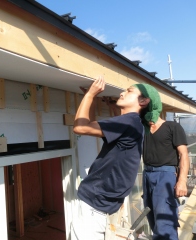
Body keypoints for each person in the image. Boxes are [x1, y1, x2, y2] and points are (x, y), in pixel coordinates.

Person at [72, 76, 157, 239]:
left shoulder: (128, 122)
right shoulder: (133, 124)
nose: (122, 92)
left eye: (129, 91)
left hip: (94, 204)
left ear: (143, 101)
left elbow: (80, 127)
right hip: (101, 205)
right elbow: (91, 125)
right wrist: (91, 98)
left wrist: (90, 95)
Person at [139, 82, 189, 239]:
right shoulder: (143, 128)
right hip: (147, 174)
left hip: (165, 175)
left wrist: (181, 181)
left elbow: (184, 155)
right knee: (152, 218)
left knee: (165, 222)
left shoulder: (172, 127)